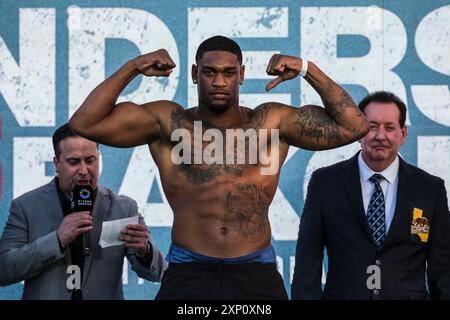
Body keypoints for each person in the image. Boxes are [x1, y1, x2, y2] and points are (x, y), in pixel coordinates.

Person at [68, 35, 369, 299]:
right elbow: (85, 122)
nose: (220, 81)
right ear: (195, 74)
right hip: (189, 270)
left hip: (255, 269)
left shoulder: (271, 122)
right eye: (210, 72)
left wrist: (307, 69)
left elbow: (354, 127)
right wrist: (133, 66)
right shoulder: (169, 122)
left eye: (228, 72)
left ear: (241, 74)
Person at [291, 91, 450, 300]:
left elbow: (443, 271)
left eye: (390, 127)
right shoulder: (325, 183)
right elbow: (306, 267)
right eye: (372, 126)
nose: (380, 136)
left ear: (403, 134)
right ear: (357, 132)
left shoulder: (430, 188)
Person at [0, 124, 167, 300]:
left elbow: (159, 273)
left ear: (99, 158)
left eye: (90, 160)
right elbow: (4, 270)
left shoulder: (123, 209)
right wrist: (57, 240)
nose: (83, 171)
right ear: (56, 163)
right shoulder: (26, 207)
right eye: (73, 162)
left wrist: (145, 251)